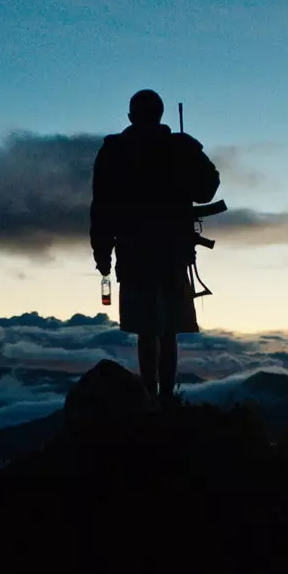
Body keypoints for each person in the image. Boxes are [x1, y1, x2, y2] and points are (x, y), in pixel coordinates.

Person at [90, 89, 221, 403]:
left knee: (146, 330)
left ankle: (150, 398)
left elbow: (102, 207)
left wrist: (102, 253)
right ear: (160, 114)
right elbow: (208, 188)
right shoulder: (179, 147)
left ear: (131, 116)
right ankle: (164, 400)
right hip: (173, 250)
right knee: (169, 328)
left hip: (134, 251)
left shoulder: (114, 151)